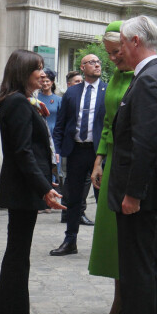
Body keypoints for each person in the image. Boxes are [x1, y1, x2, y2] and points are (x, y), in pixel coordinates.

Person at [90, 21, 157, 314]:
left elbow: (145, 143)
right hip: (141, 178)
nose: (116, 57)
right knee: (148, 261)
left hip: (138, 181)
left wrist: (133, 193)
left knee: (140, 263)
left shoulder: (147, 80)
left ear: (133, 41)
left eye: (119, 48)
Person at [0, 49, 64, 314]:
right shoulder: (19, 103)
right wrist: (45, 188)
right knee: (18, 258)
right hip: (22, 191)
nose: (43, 74)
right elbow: (23, 152)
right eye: (38, 68)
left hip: (21, 190)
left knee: (17, 256)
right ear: (24, 72)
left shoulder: (20, 101)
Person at [51, 54, 107, 256]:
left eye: (99, 62)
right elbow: (61, 124)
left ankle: (104, 245)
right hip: (75, 151)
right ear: (82, 67)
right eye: (92, 62)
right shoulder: (72, 93)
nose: (97, 64)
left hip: (99, 153)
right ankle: (70, 241)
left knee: (103, 199)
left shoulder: (107, 91)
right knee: (73, 198)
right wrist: (57, 151)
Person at [59, 69, 94, 226]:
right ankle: (69, 211)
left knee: (86, 181)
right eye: (77, 82)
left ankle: (78, 211)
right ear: (69, 85)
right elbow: (62, 123)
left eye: (82, 81)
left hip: (92, 147)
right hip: (72, 147)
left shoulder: (97, 94)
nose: (81, 84)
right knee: (71, 181)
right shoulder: (69, 96)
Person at [37, 68, 61, 136]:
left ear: (52, 82)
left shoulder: (59, 100)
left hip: (54, 133)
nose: (45, 83)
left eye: (47, 81)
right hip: (39, 132)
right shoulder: (36, 98)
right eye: (43, 81)